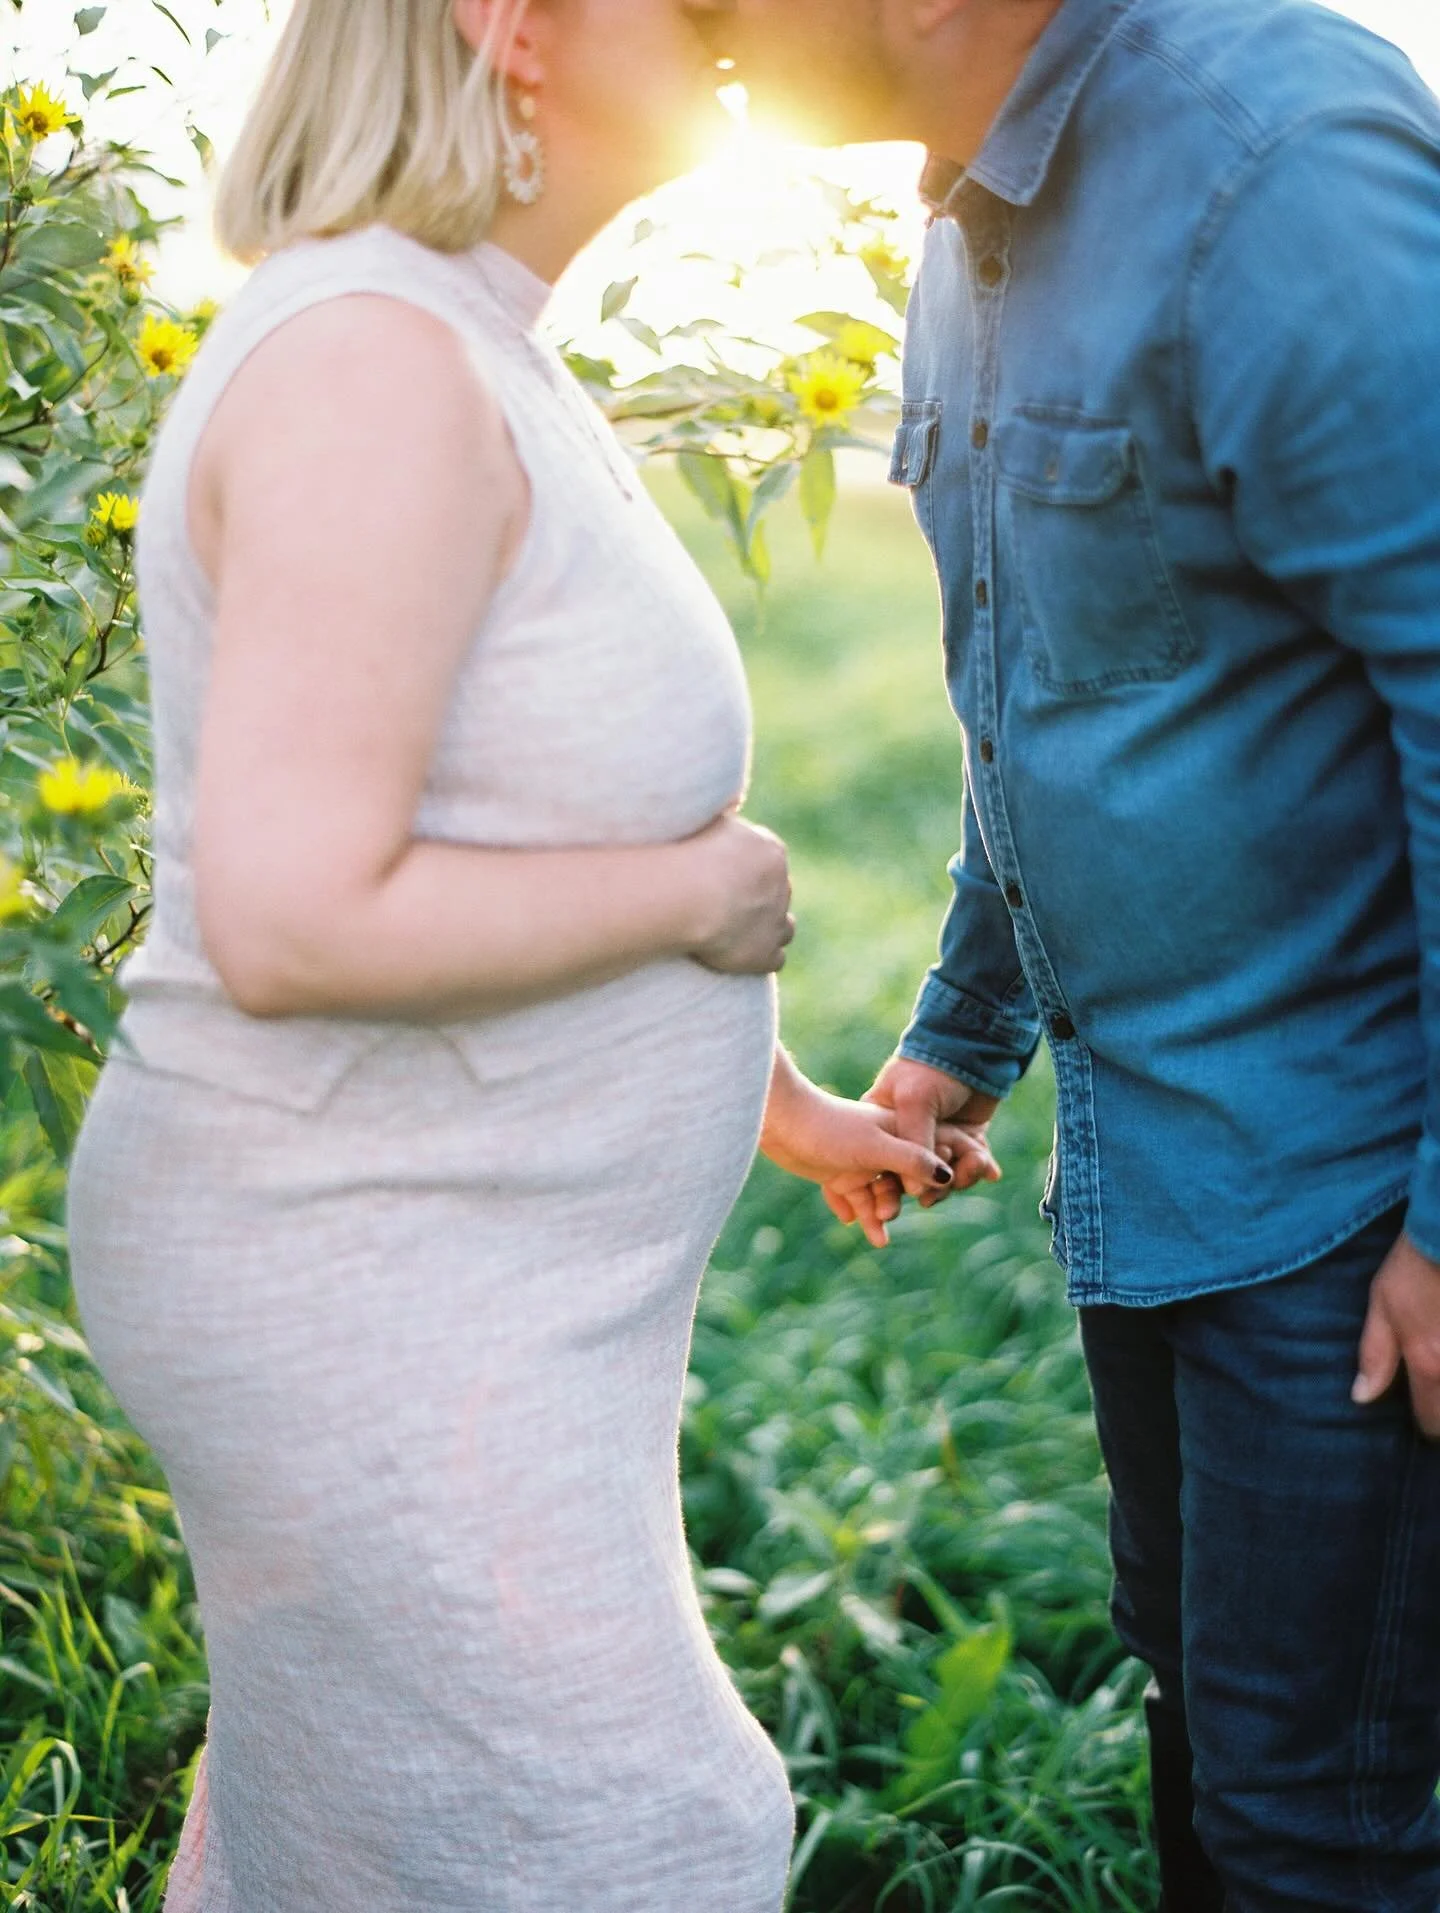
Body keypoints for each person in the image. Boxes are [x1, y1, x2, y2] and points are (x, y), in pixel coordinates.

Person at [62, 2, 990, 1907]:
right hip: (365, 1284)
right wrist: (700, 901)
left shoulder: (464, 339)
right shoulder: (372, 367)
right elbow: (297, 914)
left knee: (375, 1844)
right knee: (631, 1844)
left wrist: (777, 1099)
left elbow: (503, 829)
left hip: (444, 1271)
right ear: (512, 28)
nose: (745, 22)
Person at [687, 0, 1440, 1905]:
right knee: (1215, 1737)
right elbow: (1067, 710)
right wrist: (961, 1037)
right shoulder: (965, 225)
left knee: (1321, 1829)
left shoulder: (1275, 163)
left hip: (1347, 1200)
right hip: (1156, 1182)